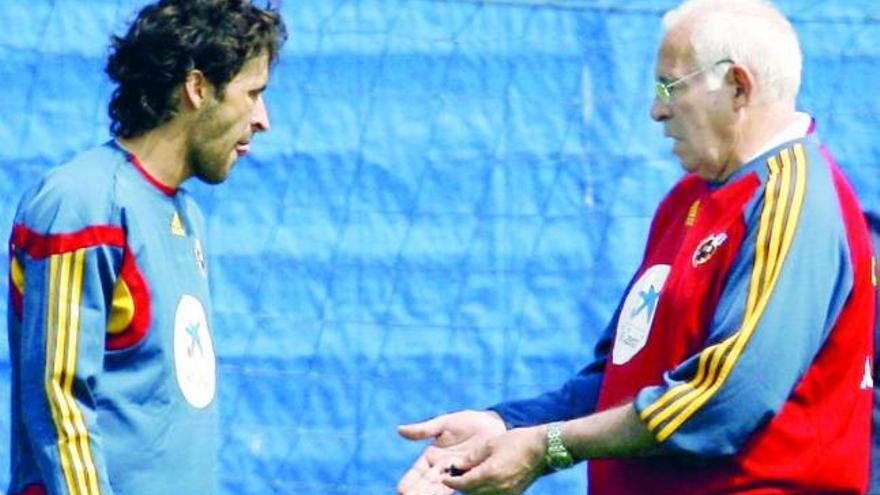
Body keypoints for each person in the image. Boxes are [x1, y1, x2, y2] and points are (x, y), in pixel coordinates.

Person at [397, 0, 875, 493]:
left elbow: (723, 402)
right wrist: (508, 426)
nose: (657, 110)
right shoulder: (689, 199)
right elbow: (623, 378)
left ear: (738, 86)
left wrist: (548, 446)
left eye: (670, 86)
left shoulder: (790, 200)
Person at [6, 1, 285, 494]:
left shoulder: (185, 215)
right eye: (253, 93)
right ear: (198, 88)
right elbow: (60, 399)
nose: (263, 119)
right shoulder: (84, 204)